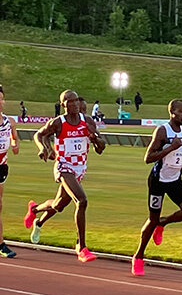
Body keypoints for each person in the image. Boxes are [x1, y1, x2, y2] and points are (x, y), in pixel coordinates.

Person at [23, 89, 106, 263]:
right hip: (64, 167)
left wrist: (95, 138)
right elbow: (39, 134)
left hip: (80, 169)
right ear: (63, 105)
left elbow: (100, 148)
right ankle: (81, 247)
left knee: (58, 205)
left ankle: (35, 211)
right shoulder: (58, 123)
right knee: (81, 201)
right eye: (70, 101)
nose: (75, 104)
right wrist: (44, 148)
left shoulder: (87, 121)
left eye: (76, 100)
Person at [131, 99, 182, 276]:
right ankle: (138, 257)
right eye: (181, 111)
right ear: (172, 112)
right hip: (158, 181)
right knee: (151, 219)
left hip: (175, 180)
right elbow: (148, 157)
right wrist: (171, 148)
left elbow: (177, 153)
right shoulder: (162, 131)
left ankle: (162, 223)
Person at [0, 85, 20, 258]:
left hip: (1, 166)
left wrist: (15, 145)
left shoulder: (9, 121)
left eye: (1, 99)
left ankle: (0, 245)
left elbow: (14, 137)